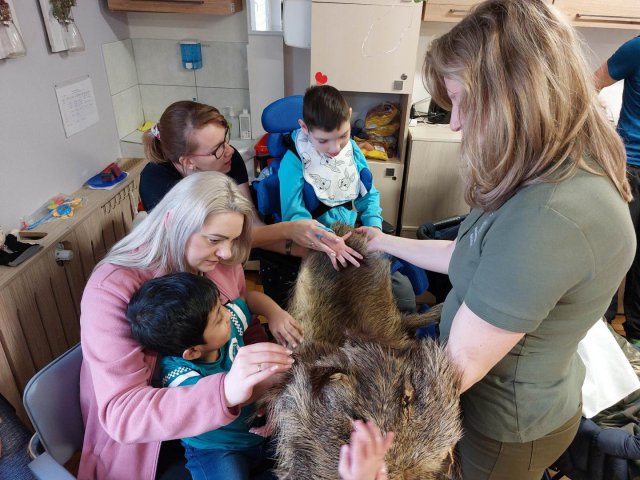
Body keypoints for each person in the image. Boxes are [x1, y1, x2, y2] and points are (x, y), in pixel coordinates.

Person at [356, 1, 636, 478]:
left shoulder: (552, 216)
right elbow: (470, 255)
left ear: (516, 98)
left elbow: (455, 369)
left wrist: (372, 459)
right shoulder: (538, 168)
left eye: (464, 101)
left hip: (502, 428)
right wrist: (382, 241)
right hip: (489, 401)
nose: (457, 123)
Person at [78, 172, 297, 480]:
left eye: (233, 240)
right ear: (173, 222)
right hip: (153, 445)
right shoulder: (111, 290)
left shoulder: (219, 261)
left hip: (236, 423)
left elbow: (241, 319)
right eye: (215, 240)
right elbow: (123, 414)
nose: (226, 254)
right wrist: (227, 391)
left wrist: (266, 374)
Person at [139, 100, 361, 307]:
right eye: (217, 149)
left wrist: (309, 249)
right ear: (188, 162)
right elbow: (209, 245)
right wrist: (291, 230)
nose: (229, 150)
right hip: (183, 275)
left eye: (226, 139)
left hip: (228, 266)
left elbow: (250, 227)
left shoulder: (228, 158)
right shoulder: (157, 182)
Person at [127, 272, 280, 480]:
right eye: (218, 318)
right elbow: (231, 397)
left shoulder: (228, 324)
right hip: (217, 449)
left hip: (258, 433)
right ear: (192, 352)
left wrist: (276, 314)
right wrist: (274, 378)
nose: (227, 314)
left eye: (220, 307)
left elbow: (250, 300)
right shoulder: (177, 376)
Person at [278, 85, 416, 312]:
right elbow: (294, 216)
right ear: (305, 128)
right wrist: (329, 240)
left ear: (350, 116)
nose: (335, 148)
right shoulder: (293, 160)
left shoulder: (351, 150)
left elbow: (368, 194)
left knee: (402, 295)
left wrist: (374, 227)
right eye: (323, 141)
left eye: (343, 135)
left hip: (353, 236)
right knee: (336, 305)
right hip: (318, 244)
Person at [594, 36, 640, 345]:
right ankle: (600, 332)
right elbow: (590, 84)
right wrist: (600, 127)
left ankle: (636, 336)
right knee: (612, 253)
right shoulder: (636, 48)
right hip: (630, 167)